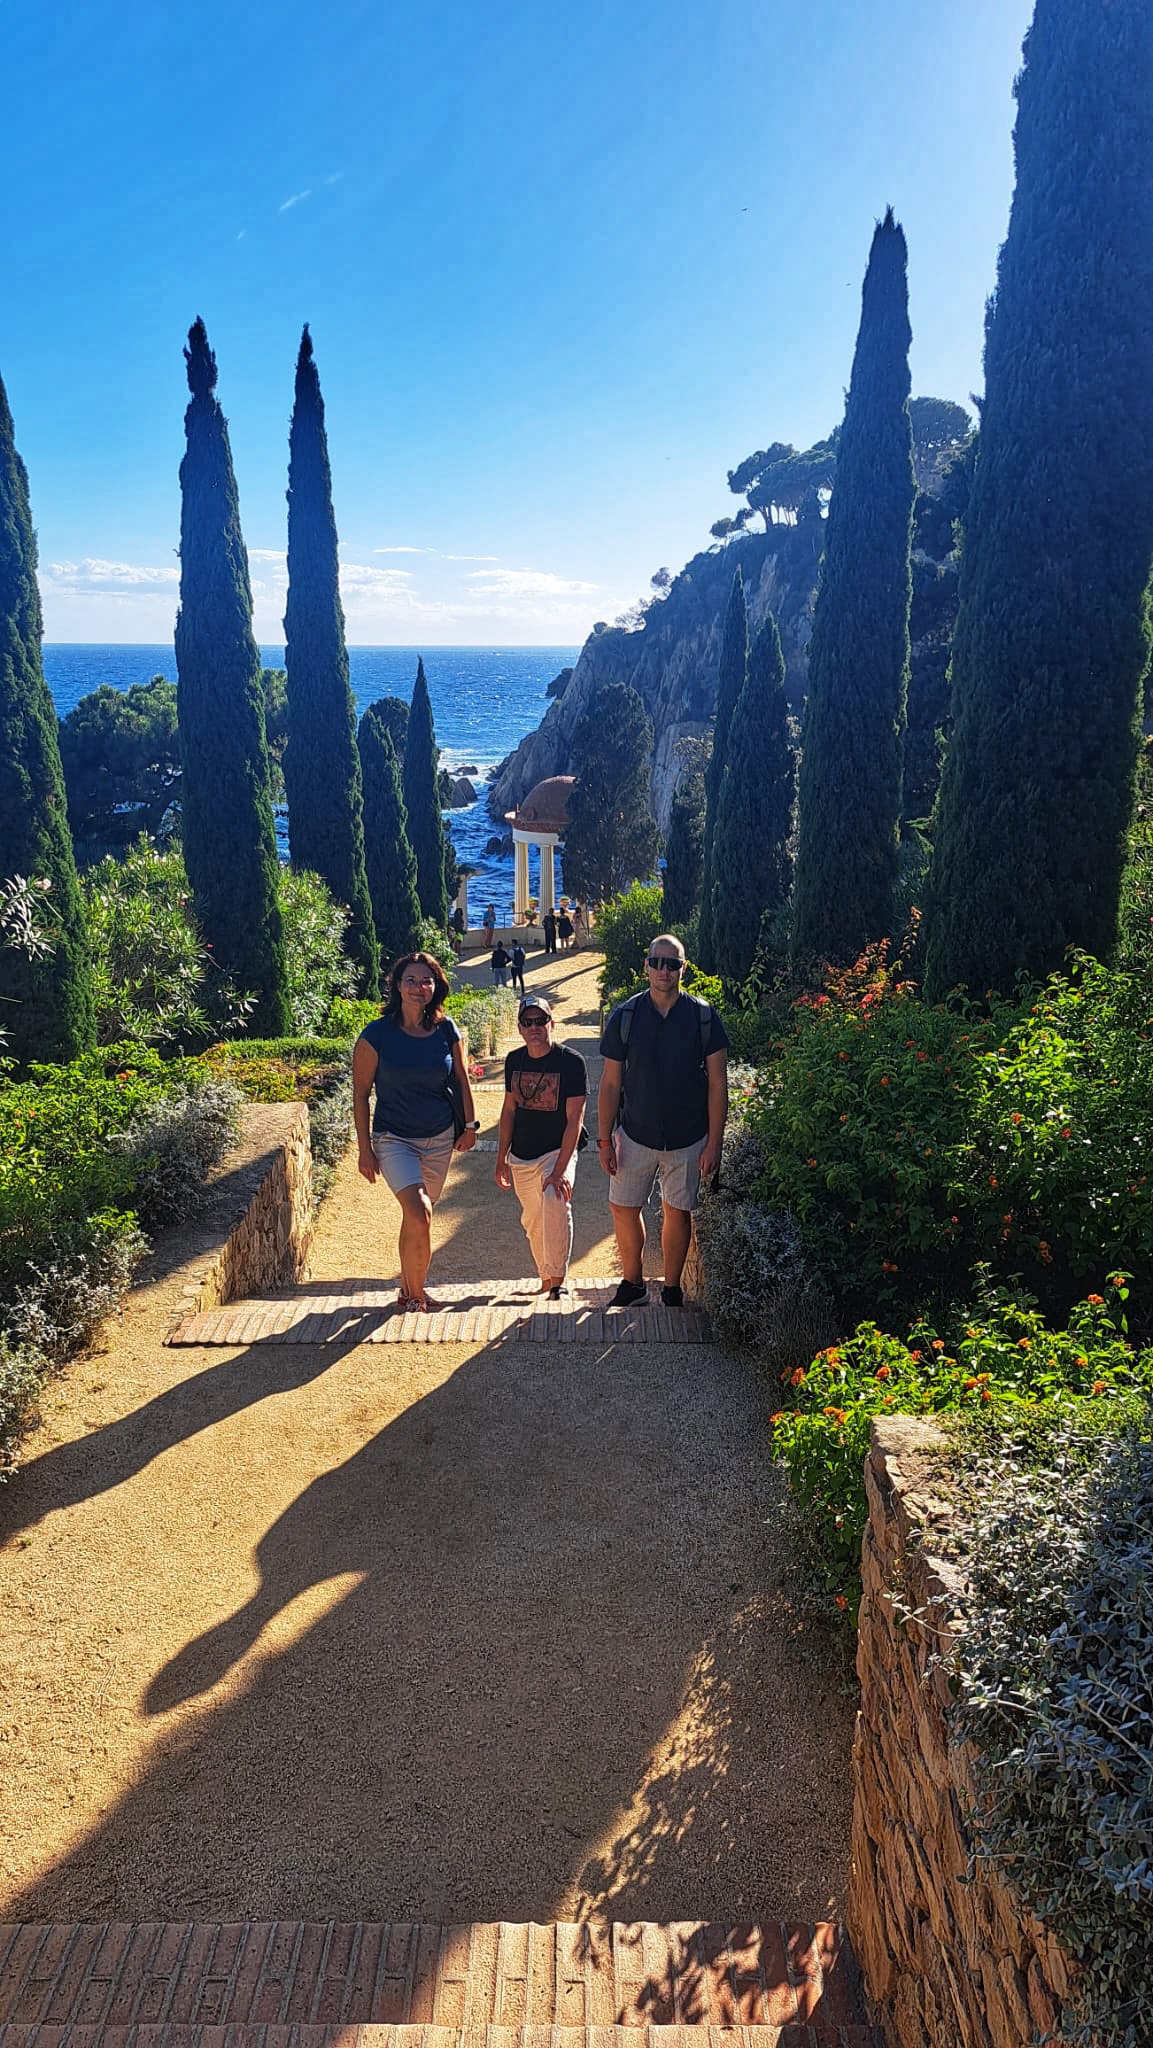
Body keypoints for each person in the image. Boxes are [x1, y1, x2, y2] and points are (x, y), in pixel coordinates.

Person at [597, 933, 728, 1308]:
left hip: (688, 1137)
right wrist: (604, 1140)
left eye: (672, 964)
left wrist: (714, 1143)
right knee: (623, 1207)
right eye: (657, 962)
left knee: (677, 1211)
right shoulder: (626, 1017)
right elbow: (610, 1084)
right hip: (635, 1133)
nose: (664, 970)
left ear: (683, 968)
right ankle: (633, 1283)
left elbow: (718, 1083)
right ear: (647, 966)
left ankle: (672, 1289)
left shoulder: (703, 1017)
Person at [353, 951, 479, 1312]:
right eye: (411, 980)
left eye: (426, 981)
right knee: (420, 1210)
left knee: (417, 1218)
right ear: (397, 985)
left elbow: (462, 1079)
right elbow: (360, 1094)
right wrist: (365, 1150)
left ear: (436, 987)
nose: (418, 987)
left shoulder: (446, 1029)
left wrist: (470, 1126)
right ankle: (419, 1295)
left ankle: (407, 1290)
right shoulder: (376, 1035)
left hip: (440, 1138)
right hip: (394, 1139)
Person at [496, 996, 587, 1299]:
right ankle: (546, 1278)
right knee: (534, 1221)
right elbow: (508, 1111)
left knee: (554, 1199)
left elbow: (575, 1120)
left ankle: (558, 1282)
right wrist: (501, 1159)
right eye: (528, 1022)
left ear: (551, 1023)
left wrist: (559, 1170)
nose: (534, 1027)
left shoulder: (571, 1062)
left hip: (557, 1150)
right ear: (520, 1028)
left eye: (540, 1021)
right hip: (521, 1154)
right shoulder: (514, 1061)